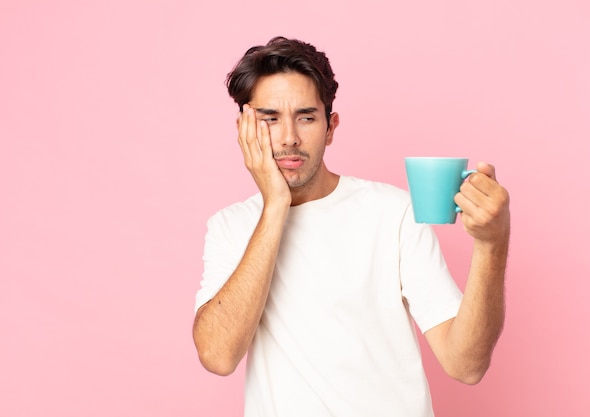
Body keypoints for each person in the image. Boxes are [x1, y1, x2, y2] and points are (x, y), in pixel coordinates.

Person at [192, 36, 510, 417]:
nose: (290, 137)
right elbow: (217, 355)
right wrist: (276, 204)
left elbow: (466, 365)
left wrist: (493, 245)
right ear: (244, 128)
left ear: (330, 127)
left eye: (306, 117)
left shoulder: (394, 213)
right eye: (270, 119)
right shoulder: (229, 226)